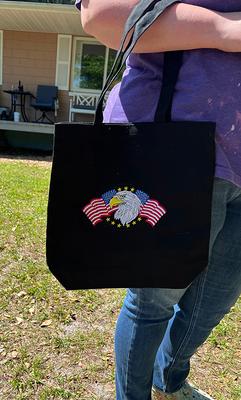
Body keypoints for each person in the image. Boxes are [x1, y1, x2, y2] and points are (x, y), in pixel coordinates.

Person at [76, 1, 241, 399]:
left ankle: (168, 378)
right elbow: (101, 13)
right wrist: (225, 29)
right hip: (178, 145)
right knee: (155, 299)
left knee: (214, 299)